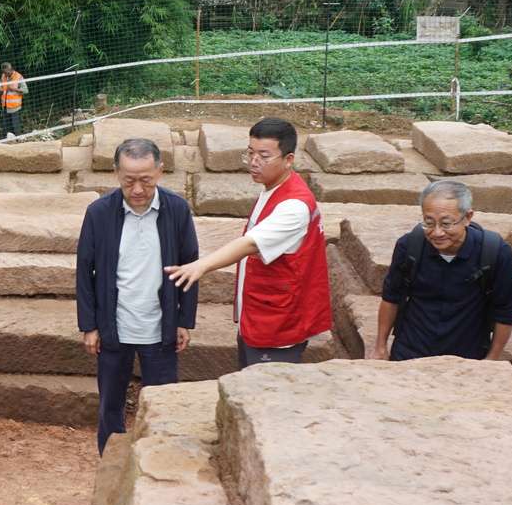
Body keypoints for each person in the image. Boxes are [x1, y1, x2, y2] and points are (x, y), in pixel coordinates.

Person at [164, 116, 331, 366]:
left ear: (288, 159)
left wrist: (201, 265)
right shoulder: (273, 187)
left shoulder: (294, 206)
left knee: (265, 394)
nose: (254, 162)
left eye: (264, 156)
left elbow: (250, 244)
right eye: (250, 153)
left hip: (277, 324)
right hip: (261, 311)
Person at [76, 138, 199, 453]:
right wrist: (89, 325)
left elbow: (190, 265)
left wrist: (184, 320)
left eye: (146, 180)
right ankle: (111, 461)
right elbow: (84, 272)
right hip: (113, 328)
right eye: (129, 180)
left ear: (160, 172)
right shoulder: (99, 213)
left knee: (162, 403)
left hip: (161, 328)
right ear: (116, 173)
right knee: (110, 406)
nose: (138, 189)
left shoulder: (177, 210)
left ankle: (159, 458)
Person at [368, 179, 512, 363]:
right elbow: (391, 296)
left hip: (466, 356)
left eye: (446, 224)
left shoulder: (495, 253)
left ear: (467, 218)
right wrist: (380, 347)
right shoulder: (410, 246)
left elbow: (506, 310)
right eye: (429, 223)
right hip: (410, 351)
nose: (437, 233)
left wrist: (492, 358)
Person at [0, 62, 27, 138]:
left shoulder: (19, 77)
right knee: (6, 126)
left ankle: (17, 140)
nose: (6, 75)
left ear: (11, 69)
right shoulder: (3, 76)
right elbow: (0, 85)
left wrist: (13, 89)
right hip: (5, 106)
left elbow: (25, 90)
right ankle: (7, 141)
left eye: (7, 73)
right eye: (4, 73)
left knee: (15, 126)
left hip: (15, 107)